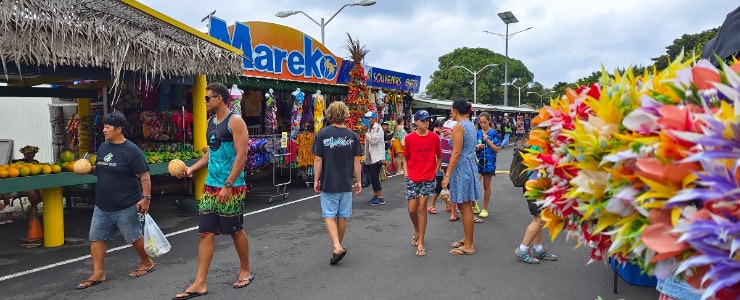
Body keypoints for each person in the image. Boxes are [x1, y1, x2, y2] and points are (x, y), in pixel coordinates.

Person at [174, 82, 252, 299]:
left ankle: (245, 270)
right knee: (205, 232)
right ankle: (200, 282)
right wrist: (192, 168)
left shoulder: (235, 122)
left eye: (207, 98)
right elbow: (212, 153)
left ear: (219, 98)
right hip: (211, 186)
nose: (204, 102)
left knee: (235, 231)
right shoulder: (211, 122)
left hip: (232, 188)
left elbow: (241, 156)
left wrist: (228, 184)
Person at [75, 111, 155, 290]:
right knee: (96, 238)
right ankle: (98, 272)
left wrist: (146, 198)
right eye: (103, 127)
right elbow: (103, 168)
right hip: (102, 204)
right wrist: (89, 168)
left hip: (126, 203)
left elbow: (144, 175)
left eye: (107, 127)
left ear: (118, 129)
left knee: (134, 237)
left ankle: (147, 261)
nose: (104, 130)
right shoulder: (104, 147)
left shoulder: (132, 150)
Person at [312, 101, 363, 265]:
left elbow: (318, 159)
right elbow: (357, 162)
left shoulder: (322, 134)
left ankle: (336, 246)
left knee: (328, 215)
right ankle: (337, 247)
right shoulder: (352, 136)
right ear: (345, 115)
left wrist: (316, 179)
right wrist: (358, 181)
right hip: (346, 183)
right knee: (342, 216)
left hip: (329, 181)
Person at [442, 99, 481, 255]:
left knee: (464, 207)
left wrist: (447, 175)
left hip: (462, 167)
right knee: (466, 206)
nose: (451, 113)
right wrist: (452, 134)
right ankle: (467, 239)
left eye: (452, 110)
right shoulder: (469, 125)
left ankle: (469, 245)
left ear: (455, 111)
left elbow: (456, 152)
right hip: (470, 165)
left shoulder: (459, 127)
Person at [402, 110, 441, 256]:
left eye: (427, 120)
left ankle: (421, 242)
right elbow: (405, 157)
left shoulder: (434, 138)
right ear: (416, 122)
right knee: (412, 209)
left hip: (428, 178)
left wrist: (434, 173)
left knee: (422, 208)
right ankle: (417, 229)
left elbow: (439, 157)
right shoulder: (410, 138)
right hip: (413, 177)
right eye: (423, 120)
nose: (426, 122)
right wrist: (406, 174)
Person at [515, 146, 558, 264]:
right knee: (539, 219)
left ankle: (537, 249)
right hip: (536, 186)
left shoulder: (544, 139)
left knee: (538, 217)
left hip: (537, 185)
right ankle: (522, 249)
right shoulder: (543, 142)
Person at [0, 145, 42, 224]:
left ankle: (31, 207)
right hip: (21, 186)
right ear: (24, 154)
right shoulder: (17, 163)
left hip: (34, 184)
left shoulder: (36, 163)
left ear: (34, 154)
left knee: (43, 193)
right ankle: (30, 209)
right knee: (31, 193)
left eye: (31, 153)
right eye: (27, 153)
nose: (29, 155)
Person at [475, 113, 502, 219]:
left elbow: (497, 149)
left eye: (484, 122)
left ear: (489, 121)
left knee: (486, 185)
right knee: (474, 183)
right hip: (478, 162)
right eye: (480, 123)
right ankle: (474, 205)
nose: (482, 125)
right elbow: (473, 146)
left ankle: (485, 208)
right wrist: (478, 147)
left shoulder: (494, 133)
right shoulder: (477, 133)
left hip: (489, 163)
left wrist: (488, 141)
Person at [362, 111, 386, 205]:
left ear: (373, 119)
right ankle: (376, 195)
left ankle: (380, 197)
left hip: (377, 157)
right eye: (366, 119)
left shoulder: (378, 128)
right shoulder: (369, 128)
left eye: (368, 119)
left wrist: (366, 133)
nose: (367, 120)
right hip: (370, 157)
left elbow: (374, 141)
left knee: (374, 177)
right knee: (372, 177)